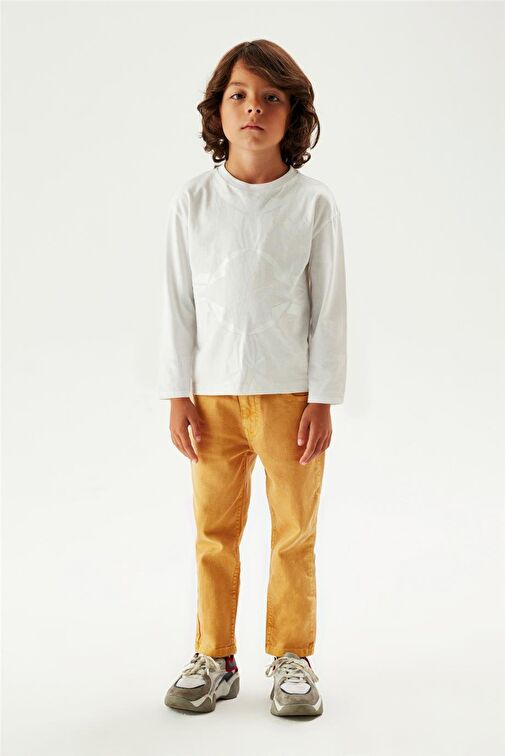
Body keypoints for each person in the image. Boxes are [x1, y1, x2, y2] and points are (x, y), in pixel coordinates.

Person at [159, 39, 347, 717]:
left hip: (289, 397)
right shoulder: (194, 201)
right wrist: (177, 393)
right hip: (210, 399)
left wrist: (322, 398)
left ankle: (292, 655)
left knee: (293, 530)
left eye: (271, 97)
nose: (253, 109)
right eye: (239, 95)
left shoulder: (312, 204)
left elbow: (328, 308)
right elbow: (178, 302)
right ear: (219, 109)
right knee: (214, 531)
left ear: (293, 113)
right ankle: (214, 655)